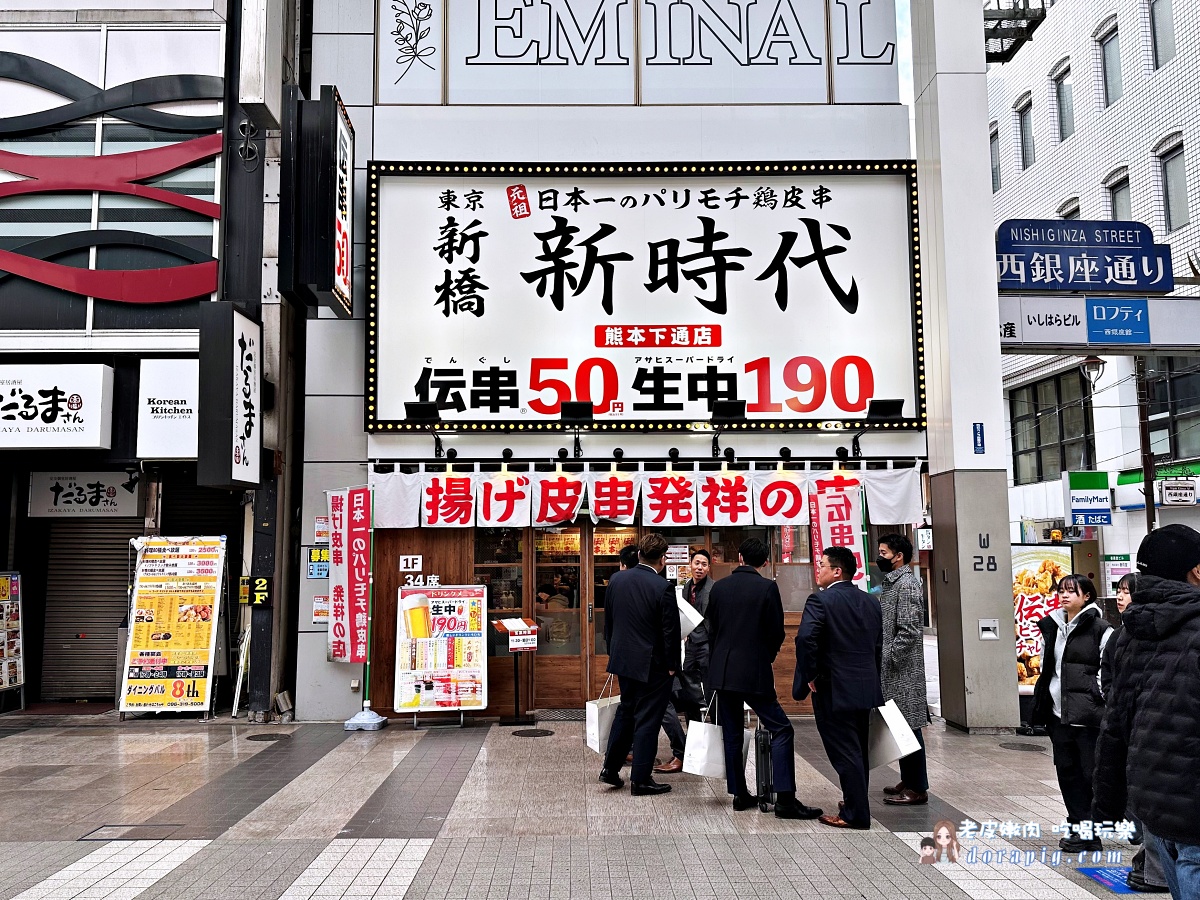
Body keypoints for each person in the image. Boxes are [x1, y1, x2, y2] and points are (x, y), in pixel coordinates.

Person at [1094, 524, 1200, 899]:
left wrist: (1105, 804)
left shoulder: (1129, 633)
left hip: (1152, 795)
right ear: (1197, 570)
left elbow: (1115, 722)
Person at [706, 537, 822, 819]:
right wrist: (765, 657)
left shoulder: (719, 588)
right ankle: (785, 798)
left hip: (721, 672)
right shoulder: (767, 587)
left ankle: (738, 794)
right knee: (781, 728)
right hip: (754, 670)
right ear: (765, 562)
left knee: (731, 733)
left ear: (741, 558)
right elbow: (776, 631)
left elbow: (711, 628)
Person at [794, 545, 884, 830]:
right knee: (858, 749)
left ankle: (856, 814)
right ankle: (853, 801)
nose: (816, 570)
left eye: (821, 565)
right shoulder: (870, 602)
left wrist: (810, 674)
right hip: (864, 686)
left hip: (833, 687)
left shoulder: (820, 601)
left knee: (845, 752)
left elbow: (806, 638)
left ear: (837, 571)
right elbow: (878, 645)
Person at [1030, 573, 1111, 853]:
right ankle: (1077, 826)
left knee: (1090, 774)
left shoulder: (1101, 629)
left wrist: (1095, 695)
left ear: (1086, 596)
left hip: (1087, 717)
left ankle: (1091, 832)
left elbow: (1106, 669)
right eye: (1061, 591)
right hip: (1058, 715)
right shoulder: (1053, 626)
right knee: (1067, 773)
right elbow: (1047, 667)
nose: (1064, 596)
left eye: (1071, 591)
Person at [1100, 572, 1169, 894]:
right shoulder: (1120, 635)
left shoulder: (1159, 632)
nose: (1120, 596)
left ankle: (1151, 867)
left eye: (1127, 591)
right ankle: (1149, 864)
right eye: (1119, 590)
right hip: (1135, 731)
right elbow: (1110, 676)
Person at [599, 533, 681, 796]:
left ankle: (610, 769)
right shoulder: (662, 587)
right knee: (648, 719)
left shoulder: (617, 580)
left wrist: (613, 651)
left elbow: (609, 622)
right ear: (663, 558)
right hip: (653, 664)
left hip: (623, 659)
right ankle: (641, 779)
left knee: (626, 712)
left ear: (639, 554)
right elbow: (670, 631)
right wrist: (672, 665)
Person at [875, 533, 931, 806]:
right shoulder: (894, 583)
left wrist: (891, 659)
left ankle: (918, 786)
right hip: (894, 668)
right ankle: (908, 778)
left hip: (903, 670)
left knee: (910, 726)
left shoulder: (906, 584)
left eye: (884, 553)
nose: (880, 557)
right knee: (899, 726)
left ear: (899, 556)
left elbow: (909, 630)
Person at [676, 548, 715, 721]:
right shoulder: (686, 587)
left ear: (708, 568)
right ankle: (693, 723)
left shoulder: (713, 588)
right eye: (697, 563)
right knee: (687, 681)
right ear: (690, 565)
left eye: (704, 565)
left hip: (707, 642)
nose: (700, 567)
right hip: (690, 642)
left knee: (709, 684)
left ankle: (714, 722)